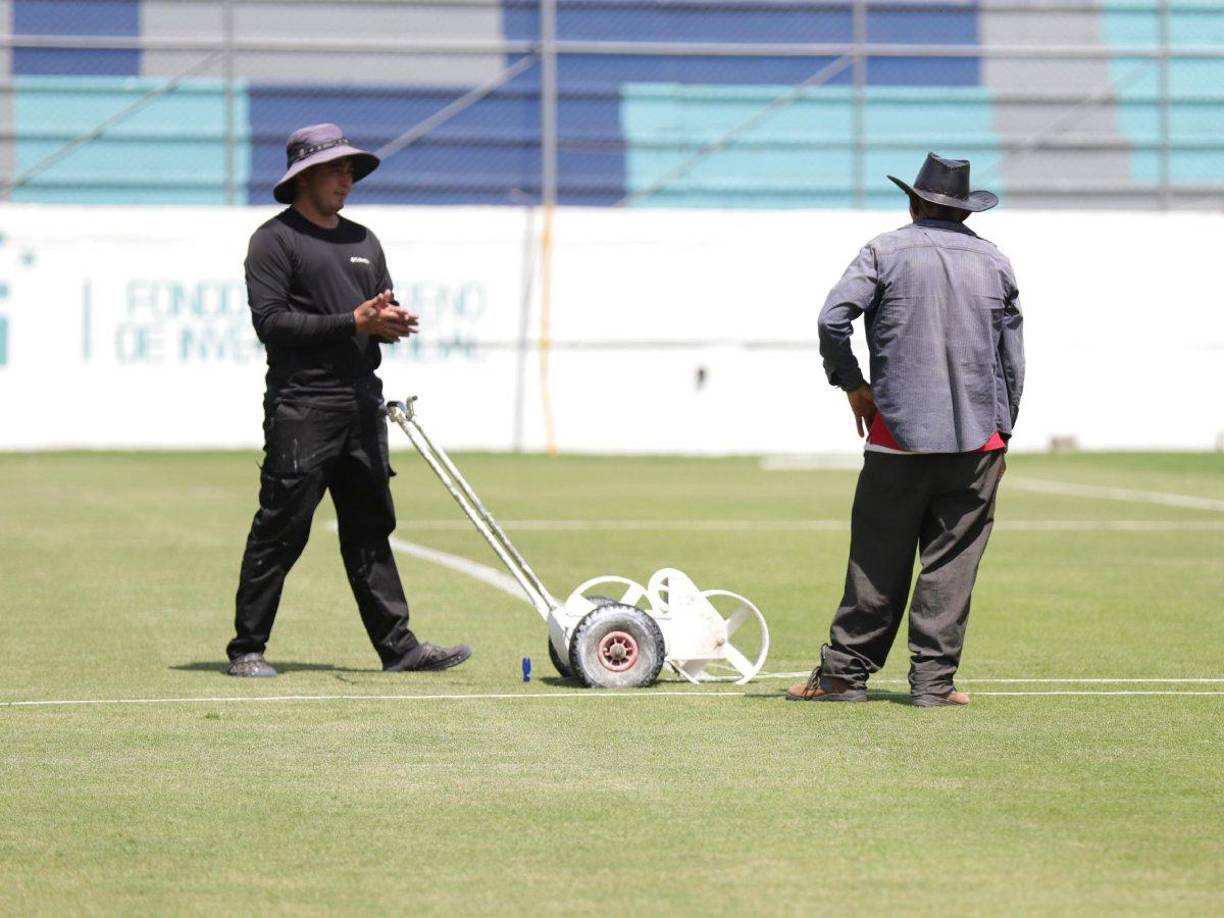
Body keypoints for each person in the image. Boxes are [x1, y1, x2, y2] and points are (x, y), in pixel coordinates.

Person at [225, 123, 472, 678]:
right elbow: (272, 324)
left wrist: (386, 322)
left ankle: (399, 649)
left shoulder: (365, 241)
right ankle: (247, 649)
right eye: (337, 169)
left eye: (350, 170)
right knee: (282, 527)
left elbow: (372, 315)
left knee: (370, 528)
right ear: (305, 175)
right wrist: (352, 321)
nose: (348, 179)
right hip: (302, 406)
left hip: (362, 403)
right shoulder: (274, 240)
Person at [788, 153, 1024, 707]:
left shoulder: (884, 251)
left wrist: (853, 384)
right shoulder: (995, 263)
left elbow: (831, 319)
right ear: (965, 211)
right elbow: (1011, 359)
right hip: (977, 442)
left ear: (915, 201)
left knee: (877, 557)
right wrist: (1003, 432)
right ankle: (934, 686)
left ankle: (844, 676)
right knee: (952, 566)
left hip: (898, 438)